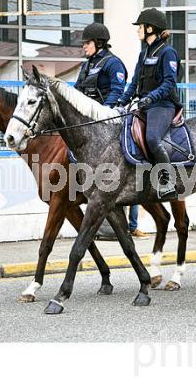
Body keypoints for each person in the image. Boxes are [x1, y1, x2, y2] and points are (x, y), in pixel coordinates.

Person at [76, 22, 150, 239]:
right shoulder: (87, 65)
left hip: (109, 119)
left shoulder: (113, 63)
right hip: (89, 122)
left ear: (98, 43)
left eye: (87, 43)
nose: (84, 47)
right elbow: (77, 91)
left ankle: (132, 223)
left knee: (125, 163)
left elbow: (117, 91)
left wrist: (102, 113)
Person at [118, 8, 180, 201]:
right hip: (144, 105)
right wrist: (122, 100)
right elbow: (135, 81)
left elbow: (169, 83)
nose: (138, 30)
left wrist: (151, 98)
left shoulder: (168, 52)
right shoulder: (144, 54)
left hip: (162, 105)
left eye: (140, 27)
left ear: (150, 28)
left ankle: (167, 182)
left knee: (152, 138)